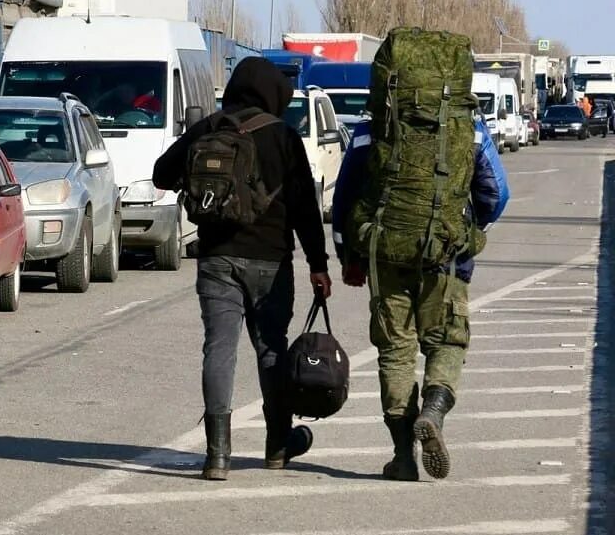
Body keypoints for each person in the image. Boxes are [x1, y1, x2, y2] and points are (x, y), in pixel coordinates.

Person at [152, 58, 331, 481]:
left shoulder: (209, 128)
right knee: (271, 351)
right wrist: (319, 266)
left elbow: (161, 175)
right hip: (271, 261)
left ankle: (217, 455)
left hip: (216, 259)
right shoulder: (285, 136)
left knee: (219, 350)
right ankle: (276, 447)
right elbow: (307, 209)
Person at [332, 112, 509, 481]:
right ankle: (435, 408)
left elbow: (345, 198)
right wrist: (465, 232)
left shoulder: (372, 128)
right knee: (446, 340)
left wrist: (350, 258)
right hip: (446, 261)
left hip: (386, 259)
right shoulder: (470, 128)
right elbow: (496, 193)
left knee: (395, 352)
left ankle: (403, 456)